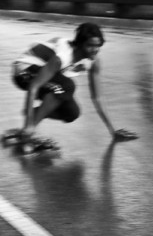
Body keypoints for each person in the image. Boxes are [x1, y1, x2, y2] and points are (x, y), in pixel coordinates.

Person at [8, 22, 137, 145]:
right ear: (79, 44)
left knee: (71, 113)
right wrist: (29, 126)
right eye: (90, 45)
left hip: (43, 73)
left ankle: (31, 115)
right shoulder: (63, 56)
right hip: (24, 71)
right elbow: (34, 86)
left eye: (98, 46)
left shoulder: (93, 61)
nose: (94, 50)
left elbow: (98, 97)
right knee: (67, 86)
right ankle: (29, 131)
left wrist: (112, 130)